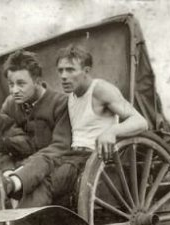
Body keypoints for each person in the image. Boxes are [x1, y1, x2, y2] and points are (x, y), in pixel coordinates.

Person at [51, 45, 149, 201]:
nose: (63, 76)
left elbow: (141, 122)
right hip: (73, 157)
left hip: (94, 159)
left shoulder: (100, 89)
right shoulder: (71, 96)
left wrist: (111, 132)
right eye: (60, 70)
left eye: (70, 70)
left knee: (50, 183)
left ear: (86, 71)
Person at [0, 50, 72, 207]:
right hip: (17, 169)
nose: (14, 90)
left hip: (54, 166)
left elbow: (60, 147)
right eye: (11, 84)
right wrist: (7, 171)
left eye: (21, 84)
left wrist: (22, 173)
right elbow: (6, 147)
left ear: (37, 81)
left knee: (38, 189)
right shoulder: (10, 105)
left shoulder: (60, 103)